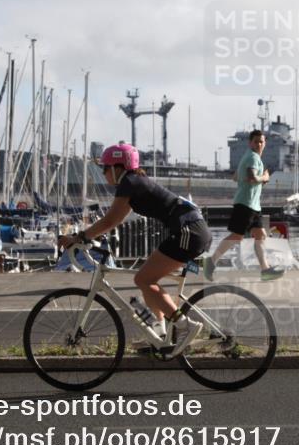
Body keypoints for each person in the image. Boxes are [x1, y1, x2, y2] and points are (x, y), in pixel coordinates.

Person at [58, 143, 210, 356]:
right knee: (147, 282)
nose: (103, 173)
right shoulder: (134, 183)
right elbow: (114, 221)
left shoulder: (129, 182)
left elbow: (109, 220)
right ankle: (159, 335)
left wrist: (77, 238)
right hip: (188, 230)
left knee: (143, 280)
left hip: (188, 231)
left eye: (105, 168)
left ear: (117, 167)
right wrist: (90, 237)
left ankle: (186, 325)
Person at [203, 129, 283, 281]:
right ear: (250, 143)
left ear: (265, 143)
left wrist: (255, 180)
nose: (259, 144)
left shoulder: (250, 158)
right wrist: (265, 177)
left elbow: (235, 177)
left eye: (262, 141)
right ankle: (211, 262)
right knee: (236, 236)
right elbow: (252, 178)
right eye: (256, 141)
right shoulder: (252, 157)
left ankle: (265, 270)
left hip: (253, 205)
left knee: (260, 235)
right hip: (245, 204)